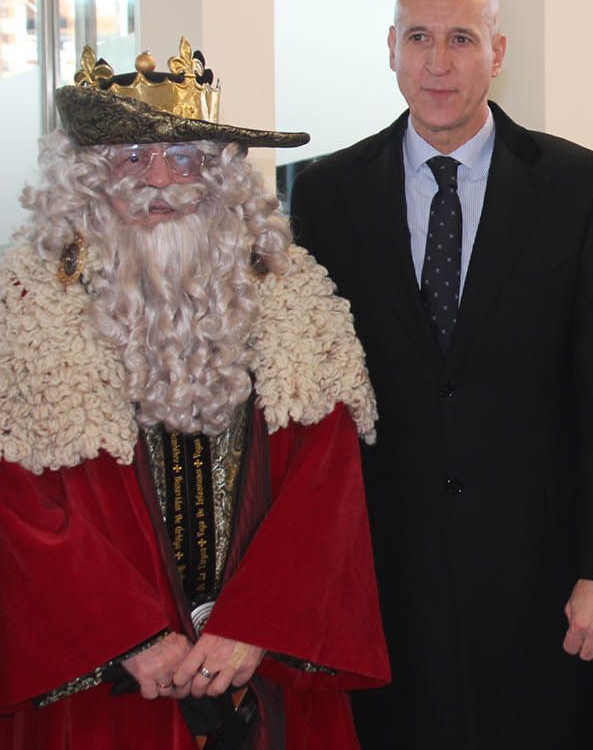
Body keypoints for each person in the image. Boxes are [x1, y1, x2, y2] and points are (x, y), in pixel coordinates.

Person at [288, 0, 593, 749]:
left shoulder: (579, 187)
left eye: (461, 39)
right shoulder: (326, 195)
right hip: (385, 589)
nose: (438, 62)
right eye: (418, 38)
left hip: (546, 592)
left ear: (498, 51)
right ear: (391, 50)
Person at [0, 39, 389, 746]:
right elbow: (17, 505)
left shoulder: (289, 290)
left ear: (218, 176)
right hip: (105, 683)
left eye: (185, 159)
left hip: (256, 671)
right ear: (86, 177)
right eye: (131, 158)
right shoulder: (23, 304)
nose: (160, 181)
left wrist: (253, 629)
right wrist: (128, 636)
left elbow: (325, 486)